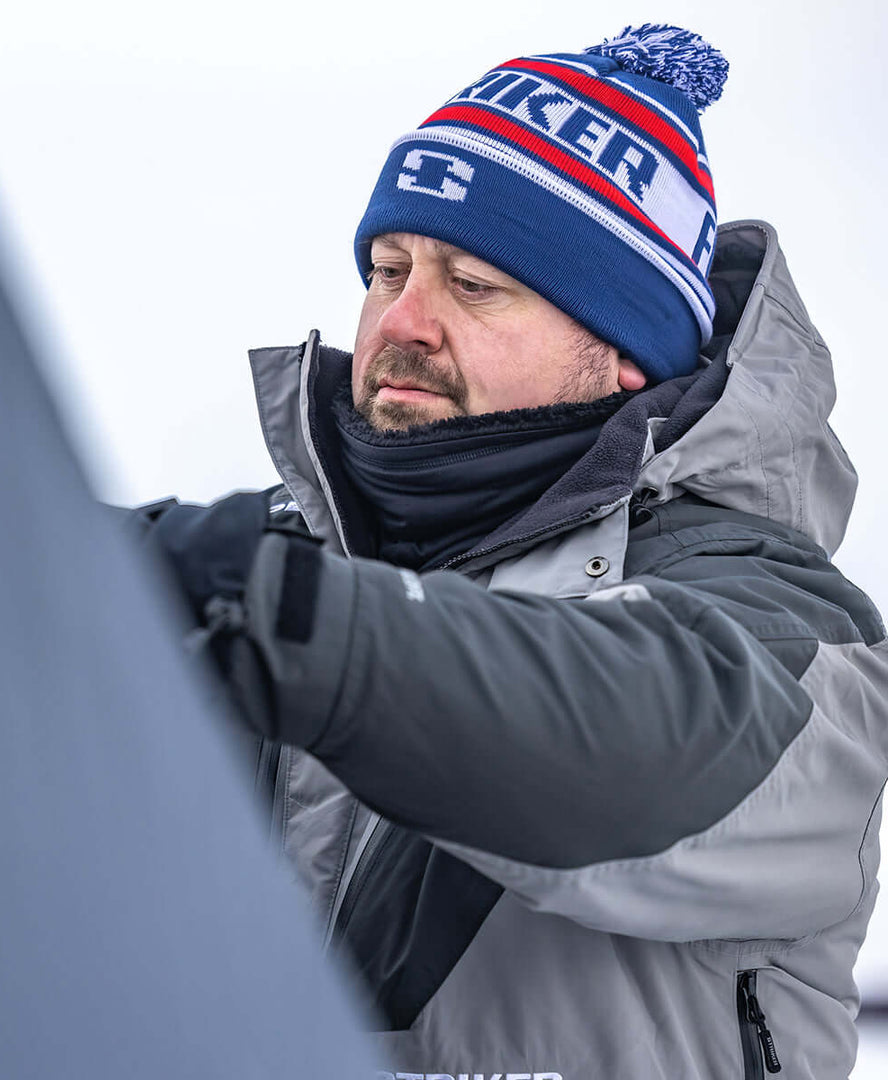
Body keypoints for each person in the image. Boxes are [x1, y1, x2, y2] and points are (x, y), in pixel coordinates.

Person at [136, 24, 888, 1080]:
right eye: (389, 268)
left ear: (624, 349)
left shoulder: (787, 626)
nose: (401, 320)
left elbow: (630, 747)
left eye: (473, 284)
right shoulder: (255, 562)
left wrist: (290, 621)